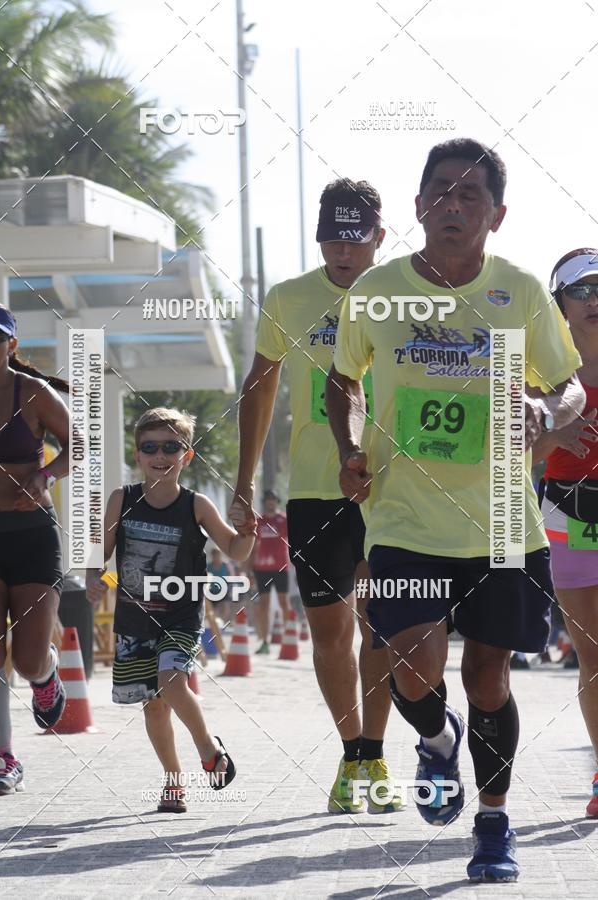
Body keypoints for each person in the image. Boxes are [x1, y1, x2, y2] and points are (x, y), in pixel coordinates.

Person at [326, 138, 585, 880]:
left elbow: (568, 384)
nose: (453, 204)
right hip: (405, 517)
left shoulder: (521, 291)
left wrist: (545, 410)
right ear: (418, 206)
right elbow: (342, 380)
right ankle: (438, 741)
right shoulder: (377, 293)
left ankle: (494, 823)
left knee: (490, 678)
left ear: (496, 215)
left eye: (471, 194)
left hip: (501, 519)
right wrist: (350, 447)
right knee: (412, 662)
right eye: (441, 191)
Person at [229, 178, 402, 815]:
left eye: (355, 240)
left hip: (391, 487)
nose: (343, 252)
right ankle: (352, 754)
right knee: (330, 633)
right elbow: (259, 387)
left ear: (379, 238)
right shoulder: (289, 297)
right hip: (313, 489)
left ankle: (375, 753)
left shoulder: (408, 295)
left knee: (383, 624)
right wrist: (244, 482)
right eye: (332, 239)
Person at [86, 407, 254, 812]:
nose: (160, 455)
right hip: (135, 619)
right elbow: (100, 552)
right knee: (155, 706)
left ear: (187, 455)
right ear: (137, 454)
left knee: (172, 682)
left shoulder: (196, 505)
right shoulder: (122, 499)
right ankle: (173, 781)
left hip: (181, 615)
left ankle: (209, 749)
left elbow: (236, 550)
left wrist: (248, 530)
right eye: (149, 448)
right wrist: (94, 577)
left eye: (170, 447)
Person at [533, 248, 598, 817]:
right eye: (582, 290)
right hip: (567, 514)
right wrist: (551, 439)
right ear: (560, 304)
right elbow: (503, 452)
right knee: (591, 655)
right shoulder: (540, 369)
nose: (594, 300)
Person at [0, 304, 69, 795]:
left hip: (32, 534)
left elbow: (79, 443)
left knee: (26, 659)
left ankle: (46, 675)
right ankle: (4, 757)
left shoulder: (33, 393)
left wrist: (45, 475)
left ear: (11, 345)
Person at [249, 489, 290, 654]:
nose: (270, 502)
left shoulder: (284, 520)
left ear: (277, 502)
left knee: (284, 603)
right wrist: (249, 570)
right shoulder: (259, 521)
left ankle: (288, 637)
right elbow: (253, 547)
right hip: (262, 569)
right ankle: (264, 641)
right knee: (263, 605)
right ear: (264, 502)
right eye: (268, 499)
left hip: (280, 567)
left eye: (273, 499)